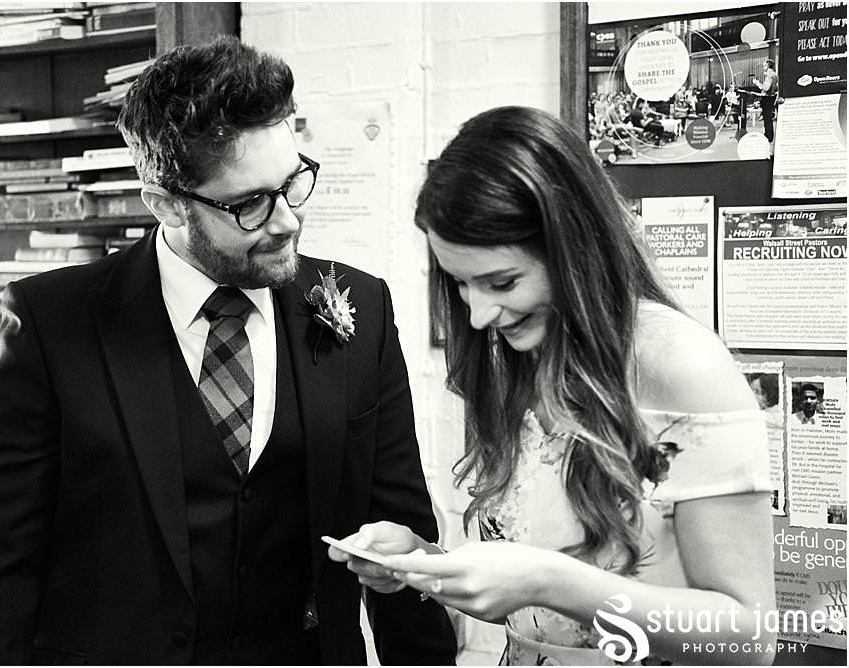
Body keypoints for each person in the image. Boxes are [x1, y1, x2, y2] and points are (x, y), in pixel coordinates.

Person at [0, 36, 456, 665]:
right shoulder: (53, 324)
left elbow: (403, 537)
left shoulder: (360, 309)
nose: (287, 219)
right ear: (167, 205)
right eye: (250, 204)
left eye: (292, 183)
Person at [328, 106, 776, 665]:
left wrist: (547, 581)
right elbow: (537, 603)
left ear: (574, 247)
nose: (478, 315)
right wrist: (429, 565)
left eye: (502, 281)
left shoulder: (682, 367)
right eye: (462, 284)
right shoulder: (526, 361)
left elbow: (748, 639)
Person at [752, 58, 779, 143]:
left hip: (767, 99)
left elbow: (766, 88)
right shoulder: (775, 75)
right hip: (772, 97)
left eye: (764, 66)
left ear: (768, 66)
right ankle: (769, 136)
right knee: (768, 118)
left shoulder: (769, 75)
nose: (763, 67)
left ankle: (768, 136)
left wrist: (757, 83)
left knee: (767, 119)